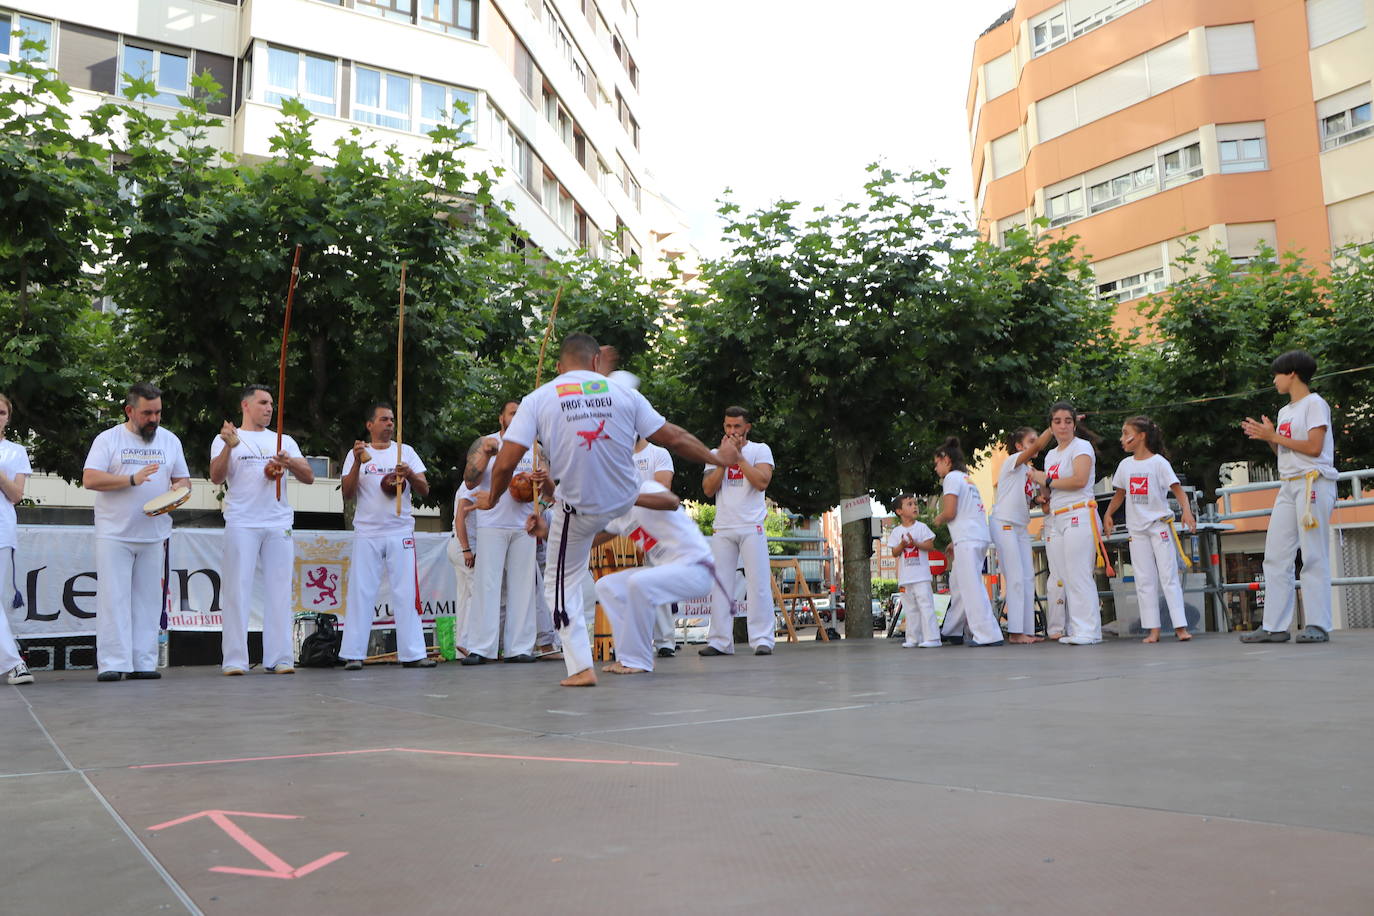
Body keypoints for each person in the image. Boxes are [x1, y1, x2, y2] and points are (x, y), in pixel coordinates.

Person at [477, 333, 738, 687]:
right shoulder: (624, 393)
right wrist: (715, 457)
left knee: (560, 583)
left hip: (582, 505)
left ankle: (581, 667)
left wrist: (492, 498)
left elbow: (506, 462)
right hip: (620, 499)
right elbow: (673, 437)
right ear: (596, 361)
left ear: (558, 367)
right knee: (612, 584)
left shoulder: (539, 398)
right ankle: (633, 657)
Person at [529, 480, 703, 675]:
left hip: (696, 569)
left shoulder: (645, 489)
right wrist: (546, 534)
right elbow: (586, 543)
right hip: (668, 572)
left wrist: (625, 500)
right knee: (607, 586)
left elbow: (671, 501)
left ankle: (641, 658)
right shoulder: (617, 518)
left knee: (637, 583)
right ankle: (630, 658)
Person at [82, 382, 190, 681]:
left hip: (154, 533)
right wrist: (131, 479)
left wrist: (177, 493)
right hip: (114, 532)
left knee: (148, 601)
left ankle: (144, 662)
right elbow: (90, 478)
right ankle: (113, 663)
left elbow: (183, 480)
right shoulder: (108, 439)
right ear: (129, 410)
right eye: (147, 413)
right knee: (113, 599)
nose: (153, 418)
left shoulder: (170, 441)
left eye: (157, 412)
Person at [208, 385, 315, 675]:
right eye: (263, 403)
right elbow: (216, 476)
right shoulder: (228, 438)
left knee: (280, 590)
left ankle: (280, 658)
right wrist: (229, 447)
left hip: (278, 522)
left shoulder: (285, 440)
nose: (269, 408)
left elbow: (309, 477)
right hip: (242, 520)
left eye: (271, 404)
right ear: (246, 405)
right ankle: (234, 659)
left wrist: (288, 461)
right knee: (236, 591)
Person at [1240, 350, 1339, 643]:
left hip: (1313, 483)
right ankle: (1274, 626)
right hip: (1289, 483)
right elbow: (1285, 450)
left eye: (1277, 374)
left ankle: (1318, 625)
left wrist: (1273, 437)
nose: (1274, 380)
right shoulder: (1285, 411)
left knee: (1313, 555)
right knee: (1275, 556)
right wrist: (1270, 437)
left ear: (1292, 373)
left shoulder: (1315, 404)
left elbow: (1314, 448)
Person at [338, 403, 435, 670]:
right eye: (384, 419)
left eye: (392, 419)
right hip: (368, 531)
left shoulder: (406, 452)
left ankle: (413, 653)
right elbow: (347, 493)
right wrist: (358, 462)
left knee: (406, 592)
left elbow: (425, 489)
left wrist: (410, 474)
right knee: (362, 591)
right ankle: (354, 654)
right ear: (370, 425)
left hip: (399, 529)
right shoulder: (357, 453)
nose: (390, 423)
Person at [461, 401, 545, 666]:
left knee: (523, 588)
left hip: (523, 526)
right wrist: (486, 455)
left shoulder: (535, 448)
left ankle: (519, 647)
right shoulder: (485, 442)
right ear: (502, 418)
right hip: (492, 524)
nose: (518, 417)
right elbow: (469, 480)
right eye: (513, 413)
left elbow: (546, 492)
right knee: (487, 586)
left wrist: (539, 499)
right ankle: (481, 647)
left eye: (522, 414)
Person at [1101, 416, 1197, 643]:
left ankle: (1180, 627)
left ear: (1141, 436)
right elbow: (1120, 494)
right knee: (1144, 579)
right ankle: (1152, 629)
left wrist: (1187, 511)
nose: (1122, 439)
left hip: (1159, 526)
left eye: (1126, 433)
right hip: (1137, 531)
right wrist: (1108, 514)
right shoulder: (1125, 465)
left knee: (1168, 576)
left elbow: (1178, 490)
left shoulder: (1159, 463)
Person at [699, 407, 776, 658]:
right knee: (720, 585)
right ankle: (719, 641)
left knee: (758, 585)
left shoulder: (760, 449)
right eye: (728, 426)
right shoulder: (714, 453)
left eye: (737, 427)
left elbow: (762, 481)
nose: (732, 431)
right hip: (723, 527)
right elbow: (708, 489)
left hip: (751, 526)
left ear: (747, 428)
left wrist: (740, 458)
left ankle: (762, 639)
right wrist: (724, 459)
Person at [1031, 402, 1103, 645]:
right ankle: (1077, 627)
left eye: (1067, 421)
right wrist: (1043, 491)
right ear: (1050, 425)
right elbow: (1049, 485)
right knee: (1065, 575)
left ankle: (1089, 630)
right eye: (1057, 421)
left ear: (1075, 423)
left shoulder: (1081, 447)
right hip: (1057, 516)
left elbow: (1079, 480)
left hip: (1079, 513)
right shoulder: (1052, 454)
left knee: (1079, 573)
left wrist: (1047, 480)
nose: (1062, 425)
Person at [932, 438, 1003, 647]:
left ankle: (986, 634)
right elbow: (968, 511)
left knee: (971, 587)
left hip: (967, 538)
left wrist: (938, 519)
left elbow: (950, 511)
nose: (936, 468)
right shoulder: (966, 479)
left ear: (946, 460)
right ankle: (952, 629)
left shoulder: (951, 479)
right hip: (976, 535)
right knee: (960, 584)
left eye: (937, 463)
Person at [992, 427, 1052, 644]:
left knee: (1027, 577)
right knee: (1015, 577)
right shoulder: (1013, 461)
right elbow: (1038, 447)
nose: (1036, 444)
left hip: (1020, 526)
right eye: (1031, 441)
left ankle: (1026, 630)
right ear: (1019, 446)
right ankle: (1015, 632)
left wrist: (1040, 498)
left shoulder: (1028, 470)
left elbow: (1036, 494)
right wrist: (1052, 429)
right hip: (1004, 523)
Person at [633, 436, 679, 658]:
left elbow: (663, 489)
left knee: (658, 581)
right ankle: (628, 641)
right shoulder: (614, 454)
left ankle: (665, 641)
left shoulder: (658, 453)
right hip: (623, 525)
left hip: (653, 525)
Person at [0, 394, 34, 685]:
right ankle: (13, 662)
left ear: (8, 417)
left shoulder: (16, 451)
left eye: (1, 412)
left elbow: (16, 495)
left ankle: (14, 663)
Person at [885, 493, 939, 648]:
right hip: (905, 577)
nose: (915, 506)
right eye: (909, 504)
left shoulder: (922, 527)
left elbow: (929, 546)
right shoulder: (896, 531)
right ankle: (913, 638)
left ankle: (933, 638)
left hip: (921, 576)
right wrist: (903, 544)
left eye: (915, 504)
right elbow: (895, 552)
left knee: (926, 606)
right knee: (910, 608)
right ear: (899, 511)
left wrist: (915, 542)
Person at [445, 480, 479, 653]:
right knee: (477, 593)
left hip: (457, 544)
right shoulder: (471, 486)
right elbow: (460, 519)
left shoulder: (466, 484)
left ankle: (462, 645)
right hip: (465, 545)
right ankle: (468, 642)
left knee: (464, 596)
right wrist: (467, 549)